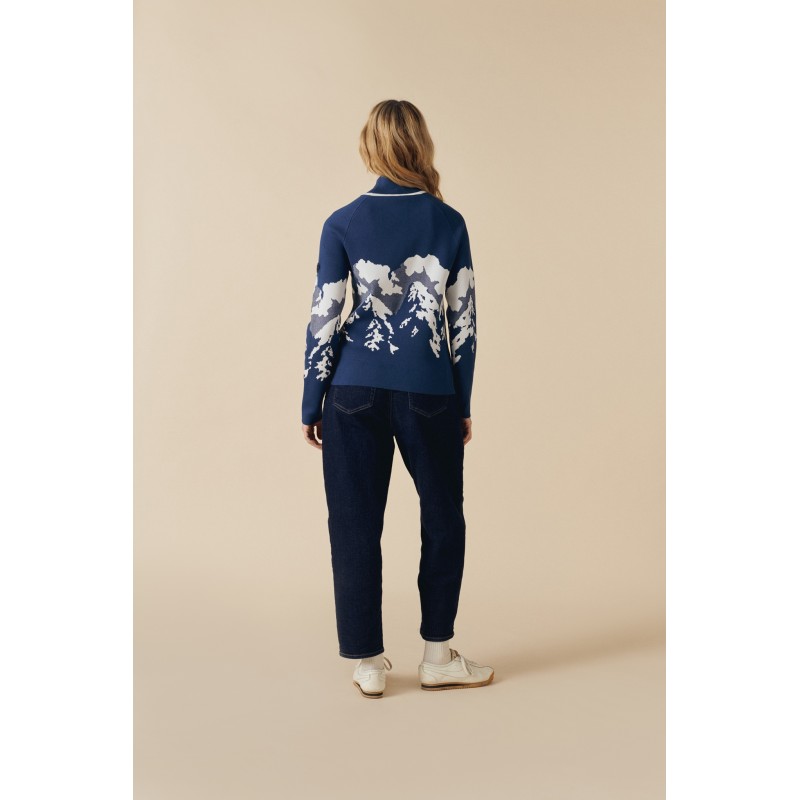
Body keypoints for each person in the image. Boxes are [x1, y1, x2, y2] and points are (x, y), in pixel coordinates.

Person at [300, 99, 494, 698]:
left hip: (351, 392)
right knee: (442, 517)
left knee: (354, 523)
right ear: (421, 145)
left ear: (371, 148)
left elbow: (325, 315)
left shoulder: (343, 222)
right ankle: (437, 655)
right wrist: (462, 401)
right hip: (429, 391)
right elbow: (463, 321)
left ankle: (369, 662)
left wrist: (311, 399)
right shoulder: (449, 222)